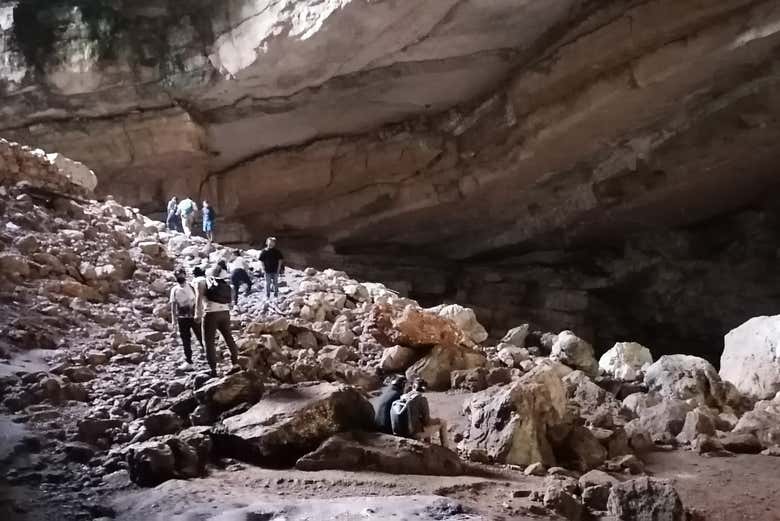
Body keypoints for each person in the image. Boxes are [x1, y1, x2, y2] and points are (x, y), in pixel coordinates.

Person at [195, 265, 239, 377]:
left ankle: (213, 370)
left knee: (209, 342)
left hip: (211, 313)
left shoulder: (202, 282)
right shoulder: (223, 283)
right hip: (225, 312)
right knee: (228, 337)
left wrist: (197, 314)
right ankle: (235, 364)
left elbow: (199, 299)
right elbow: (231, 298)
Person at [391, 378, 447, 445]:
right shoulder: (421, 399)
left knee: (423, 423)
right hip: (413, 434)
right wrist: (437, 420)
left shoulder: (403, 396)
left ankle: (428, 444)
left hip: (399, 433)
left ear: (413, 387)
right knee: (443, 422)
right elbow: (427, 422)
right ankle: (446, 448)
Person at [169, 269, 203, 367]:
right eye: (178, 276)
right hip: (182, 318)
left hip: (194, 316)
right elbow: (173, 306)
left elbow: (198, 300)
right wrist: (173, 320)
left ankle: (209, 354)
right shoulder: (174, 290)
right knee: (185, 340)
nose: (180, 277)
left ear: (185, 275)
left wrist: (200, 312)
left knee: (201, 336)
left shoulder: (192, 286)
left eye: (181, 275)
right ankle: (189, 360)